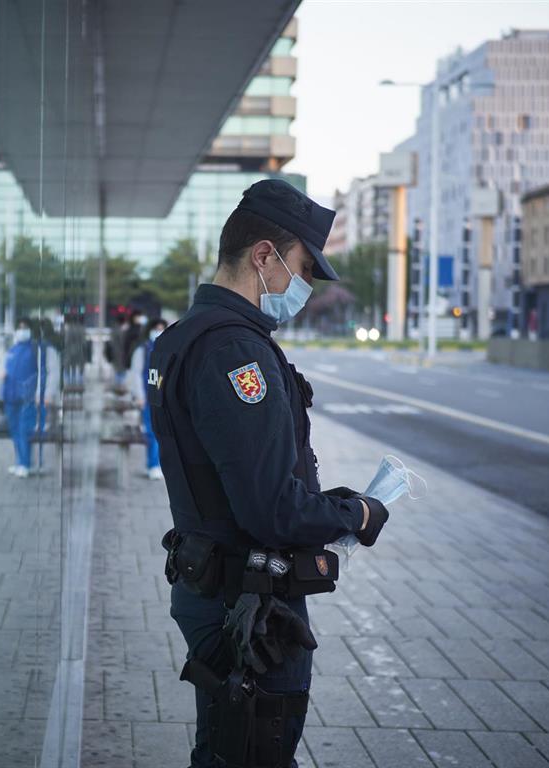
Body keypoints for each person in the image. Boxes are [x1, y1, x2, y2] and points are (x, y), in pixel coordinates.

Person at [148, 179, 390, 768]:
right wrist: (355, 511)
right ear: (264, 256)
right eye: (303, 268)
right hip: (251, 610)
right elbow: (270, 510)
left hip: (214, 587)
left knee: (225, 748)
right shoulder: (237, 352)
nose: (304, 286)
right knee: (252, 752)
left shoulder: (180, 340)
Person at [1, 317, 50, 478]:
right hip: (10, 396)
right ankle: (19, 462)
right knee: (14, 431)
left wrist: (40, 393)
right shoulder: (13, 349)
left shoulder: (37, 348)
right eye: (19, 327)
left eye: (25, 327)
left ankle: (26, 464)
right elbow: (6, 371)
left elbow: (43, 372)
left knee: (24, 431)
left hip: (27, 398)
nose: (22, 330)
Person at [128, 317, 167, 480]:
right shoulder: (143, 349)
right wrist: (139, 396)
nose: (159, 331)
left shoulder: (168, 349)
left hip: (164, 398)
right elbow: (136, 374)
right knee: (152, 432)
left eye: (162, 328)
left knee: (162, 434)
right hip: (148, 396)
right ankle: (152, 465)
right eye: (156, 328)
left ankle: (156, 464)